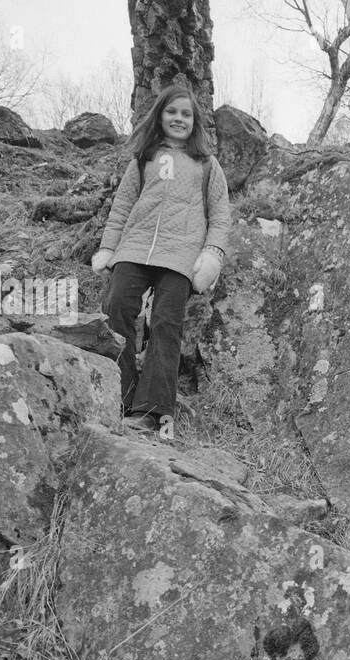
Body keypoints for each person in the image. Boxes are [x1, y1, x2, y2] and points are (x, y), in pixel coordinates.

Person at [91, 84, 231, 433]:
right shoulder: (143, 159)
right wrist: (109, 248)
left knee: (166, 324)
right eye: (172, 112)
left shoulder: (206, 164)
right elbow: (121, 207)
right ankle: (118, 395)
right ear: (160, 116)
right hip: (134, 248)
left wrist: (211, 254)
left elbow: (220, 215)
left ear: (195, 121)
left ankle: (151, 410)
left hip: (180, 255)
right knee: (117, 310)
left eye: (186, 114)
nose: (179, 119)